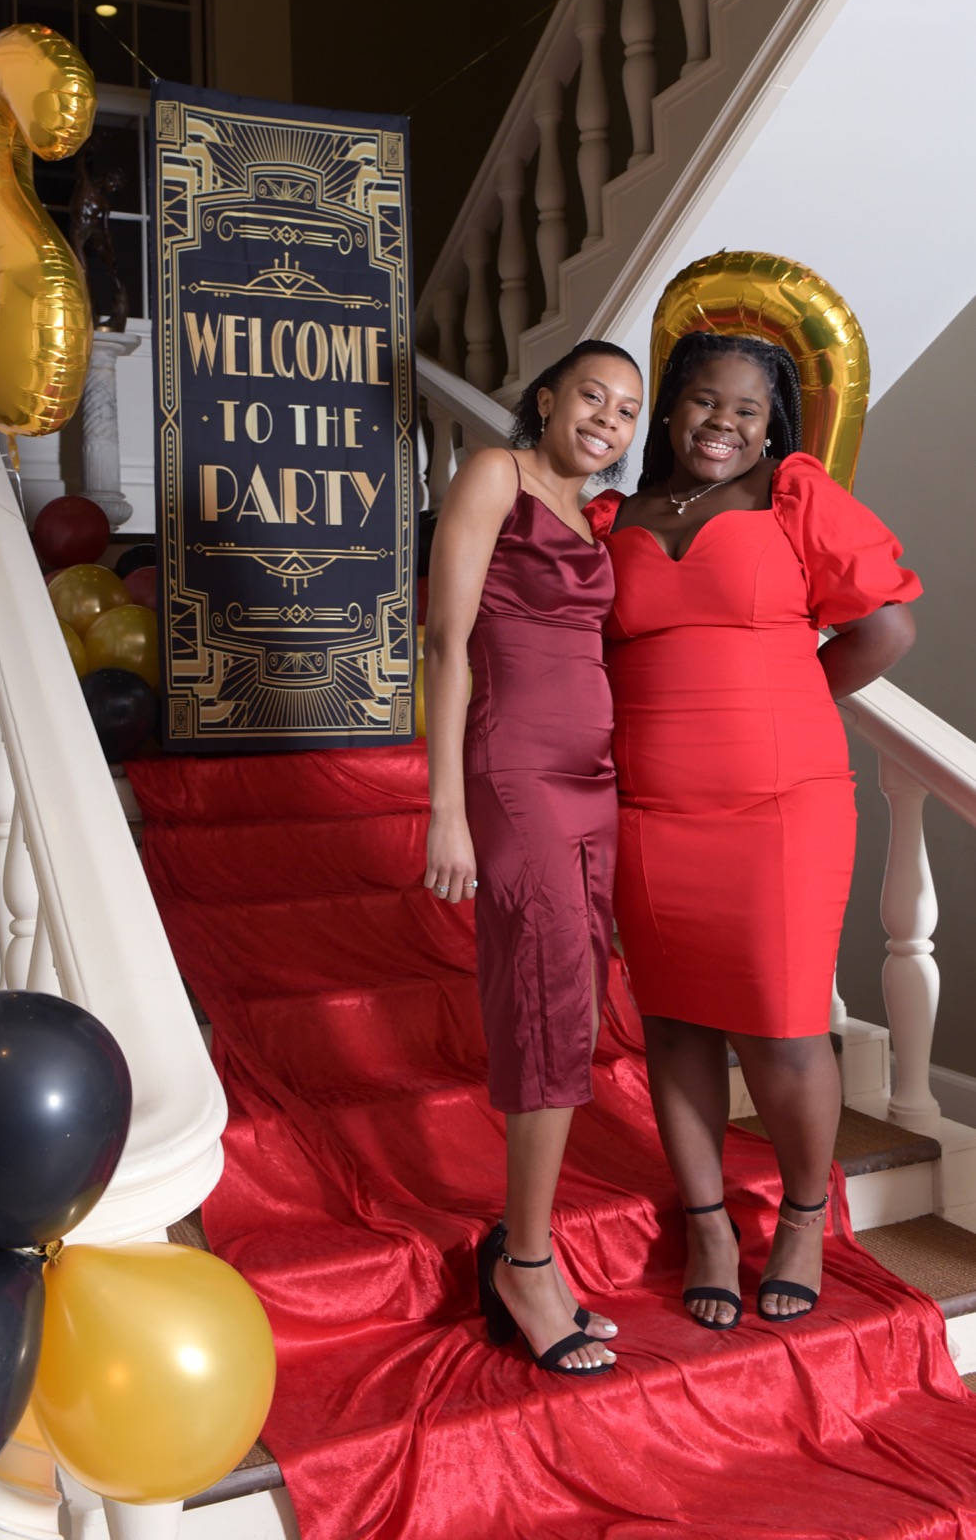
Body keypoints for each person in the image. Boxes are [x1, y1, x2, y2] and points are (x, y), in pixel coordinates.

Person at [586, 331, 920, 1329]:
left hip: (782, 807)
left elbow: (887, 626)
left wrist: (794, 696)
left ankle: (807, 1217)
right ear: (669, 409)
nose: (719, 423)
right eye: (700, 401)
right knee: (676, 1026)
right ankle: (710, 1224)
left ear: (770, 420)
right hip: (647, 807)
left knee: (780, 1032)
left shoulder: (792, 495)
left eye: (742, 407)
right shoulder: (614, 515)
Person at [422, 339, 643, 1375]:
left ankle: (535, 1262)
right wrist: (448, 810)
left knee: (572, 1006)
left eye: (628, 409)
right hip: (515, 775)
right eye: (591, 394)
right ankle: (522, 1260)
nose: (608, 417)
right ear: (547, 397)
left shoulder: (590, 516)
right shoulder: (492, 474)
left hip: (592, 781)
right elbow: (448, 643)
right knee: (548, 1005)